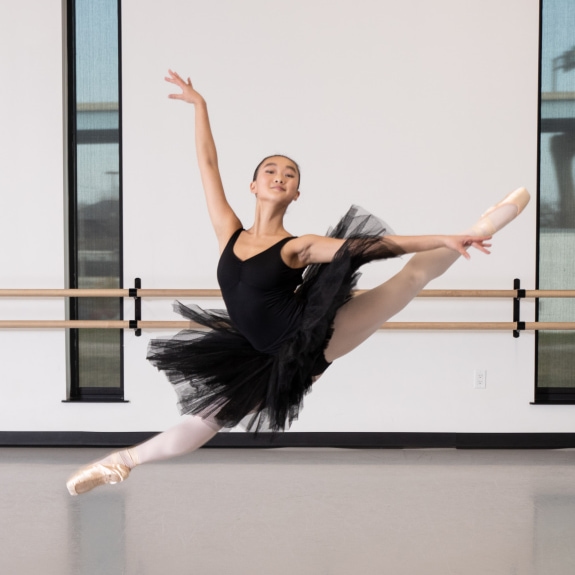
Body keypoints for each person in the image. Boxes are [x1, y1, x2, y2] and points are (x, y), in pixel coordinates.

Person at [66, 70, 530, 496]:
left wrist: (441, 236)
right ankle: (121, 462)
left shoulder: (298, 245)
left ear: (295, 193)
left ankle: (480, 228)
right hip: (254, 351)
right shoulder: (229, 230)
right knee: (204, 421)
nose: (279, 176)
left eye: (289, 175)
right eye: (270, 170)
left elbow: (370, 247)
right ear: (253, 185)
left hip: (309, 338)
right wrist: (200, 105)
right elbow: (208, 166)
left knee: (409, 278)